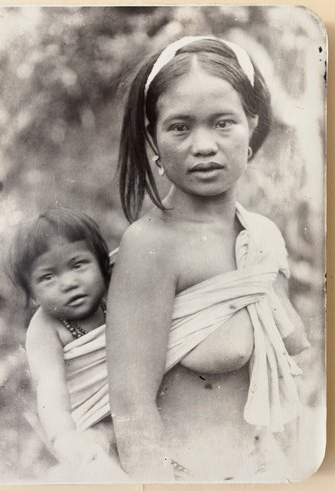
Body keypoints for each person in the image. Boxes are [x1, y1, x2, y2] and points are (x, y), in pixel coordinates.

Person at [106, 36, 310, 482]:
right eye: (180, 127)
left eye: (223, 123)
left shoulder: (263, 238)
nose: (203, 145)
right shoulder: (151, 245)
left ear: (251, 127)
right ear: (153, 138)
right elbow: (132, 410)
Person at [7, 208, 126, 481]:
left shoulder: (119, 292)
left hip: (138, 403)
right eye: (47, 277)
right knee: (92, 455)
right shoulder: (45, 329)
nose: (69, 283)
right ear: (32, 294)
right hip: (94, 421)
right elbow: (49, 386)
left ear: (102, 264)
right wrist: (63, 435)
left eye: (78, 264)